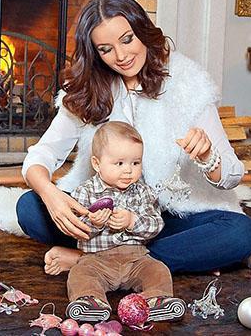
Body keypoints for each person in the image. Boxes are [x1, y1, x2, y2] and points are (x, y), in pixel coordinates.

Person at [17, 0, 251, 276]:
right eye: (105, 49)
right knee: (29, 207)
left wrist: (208, 156)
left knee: (241, 232)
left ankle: (92, 262)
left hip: (167, 218)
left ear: (142, 31)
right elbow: (41, 155)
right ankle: (153, 262)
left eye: (127, 39)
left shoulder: (187, 82)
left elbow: (232, 176)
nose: (121, 56)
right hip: (101, 219)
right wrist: (50, 195)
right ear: (95, 53)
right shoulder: (87, 88)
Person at [64, 121, 185, 322]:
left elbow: (156, 225)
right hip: (97, 259)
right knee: (80, 273)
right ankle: (91, 302)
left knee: (158, 270)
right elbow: (75, 229)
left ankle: (154, 301)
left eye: (135, 163)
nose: (128, 170)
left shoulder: (143, 192)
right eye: (119, 163)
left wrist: (132, 221)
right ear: (97, 163)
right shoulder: (85, 192)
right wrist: (94, 222)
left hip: (136, 259)